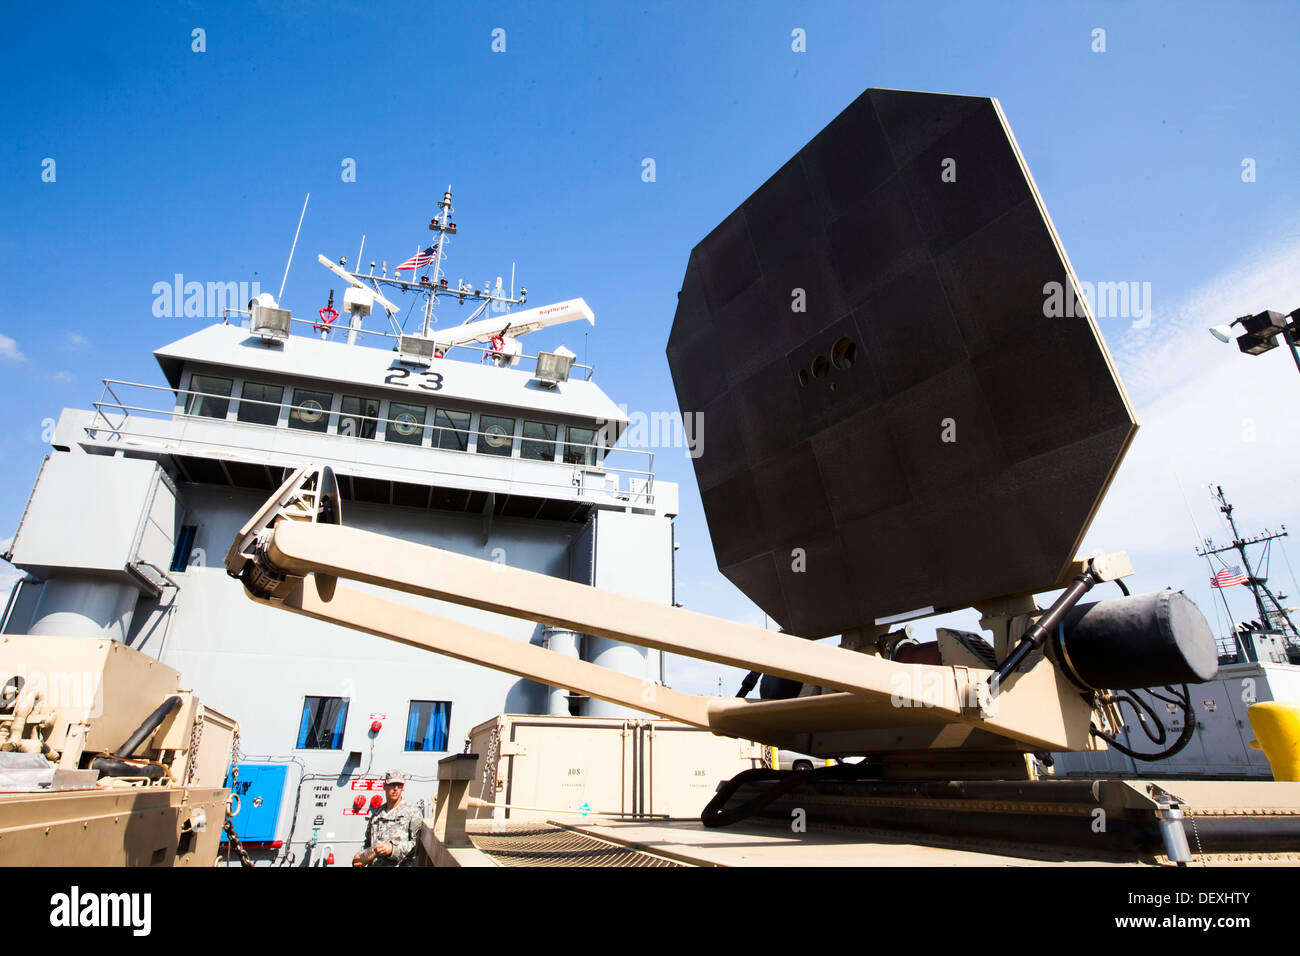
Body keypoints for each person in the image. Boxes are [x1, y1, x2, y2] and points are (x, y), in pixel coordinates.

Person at [353, 770, 423, 867]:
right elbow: (368, 843)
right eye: (392, 784)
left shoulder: (412, 813)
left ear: (403, 787)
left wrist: (393, 849)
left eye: (399, 785)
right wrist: (361, 857)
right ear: (384, 786)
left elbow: (418, 846)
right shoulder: (377, 814)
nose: (395, 788)